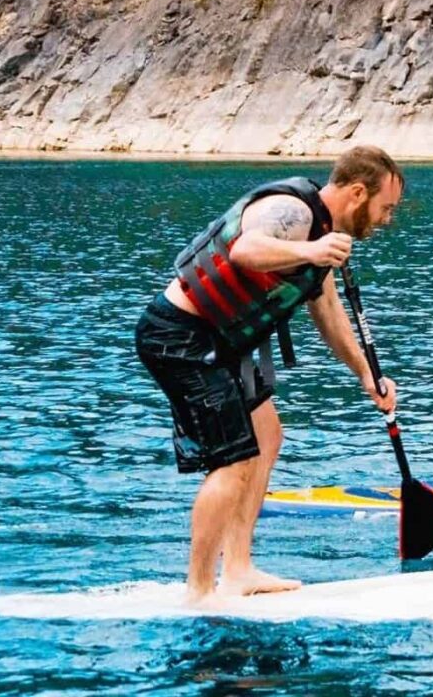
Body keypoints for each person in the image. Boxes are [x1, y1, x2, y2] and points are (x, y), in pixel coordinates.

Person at [135, 145, 404, 607]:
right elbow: (245, 250)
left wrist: (365, 375)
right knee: (234, 459)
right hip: (181, 338)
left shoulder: (323, 235)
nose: (386, 221)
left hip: (220, 343)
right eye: (386, 208)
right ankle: (199, 590)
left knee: (268, 435)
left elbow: (328, 311)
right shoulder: (294, 211)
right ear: (359, 193)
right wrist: (311, 248)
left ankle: (238, 570)